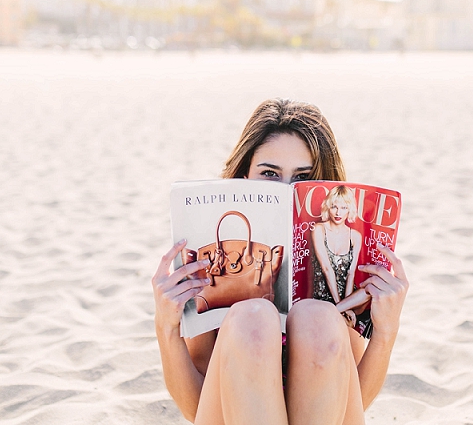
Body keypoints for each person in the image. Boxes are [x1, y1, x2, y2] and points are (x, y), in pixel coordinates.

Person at [151, 98, 409, 425]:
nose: (286, 190)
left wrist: (386, 331)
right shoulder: (218, 259)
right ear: (244, 178)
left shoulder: (337, 244)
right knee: (252, 319)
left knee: (319, 318)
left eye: (303, 177)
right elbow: (195, 409)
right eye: (270, 174)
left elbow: (353, 398)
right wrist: (167, 327)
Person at [311, 185, 365, 328]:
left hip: (348, 297)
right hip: (324, 296)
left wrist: (347, 305)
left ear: (350, 210)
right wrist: (342, 307)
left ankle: (338, 311)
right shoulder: (319, 229)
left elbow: (351, 273)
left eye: (343, 208)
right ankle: (337, 312)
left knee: (371, 289)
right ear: (328, 207)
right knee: (344, 324)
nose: (338, 212)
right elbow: (327, 269)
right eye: (334, 207)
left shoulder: (355, 236)